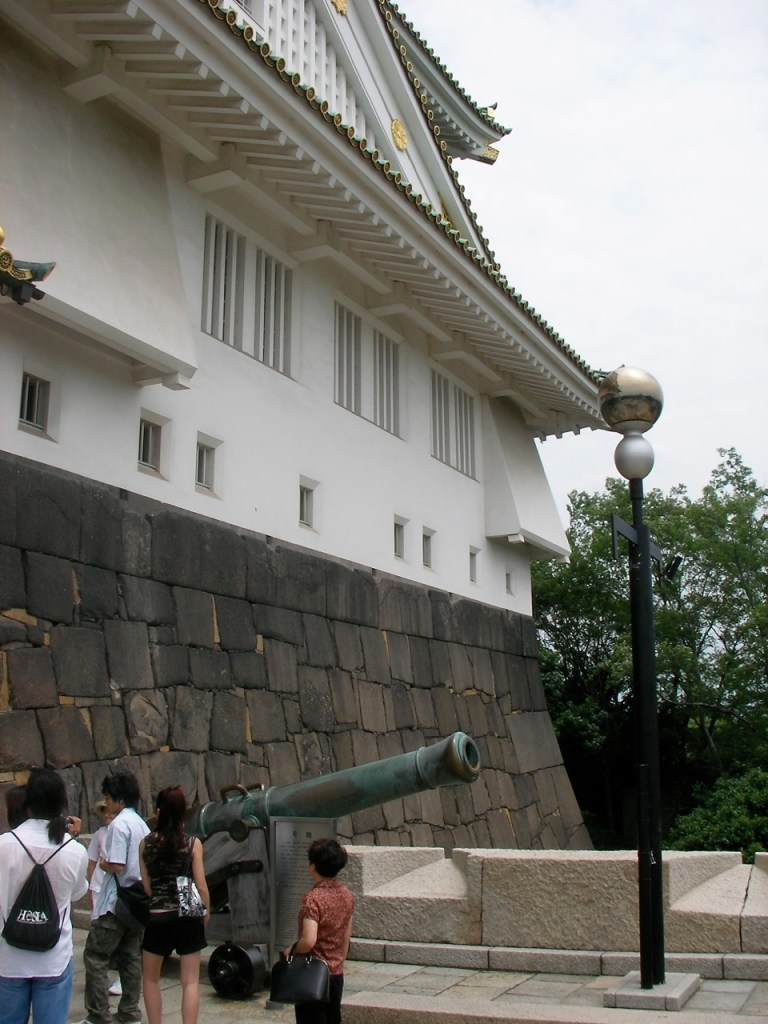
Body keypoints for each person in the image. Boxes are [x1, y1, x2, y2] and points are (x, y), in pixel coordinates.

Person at [0, 768, 89, 1024]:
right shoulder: (74, 850)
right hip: (53, 957)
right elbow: (76, 894)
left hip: (9, 956)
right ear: (62, 803)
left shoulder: (4, 845)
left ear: (28, 802)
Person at [79, 771, 149, 1024]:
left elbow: (116, 865)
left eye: (108, 797)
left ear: (119, 800)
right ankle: (129, 1011)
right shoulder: (142, 824)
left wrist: (105, 865)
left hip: (115, 902)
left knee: (96, 956)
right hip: (136, 901)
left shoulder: (119, 825)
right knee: (130, 957)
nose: (106, 803)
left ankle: (98, 1014)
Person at [138, 786, 209, 1024]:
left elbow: (147, 886)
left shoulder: (145, 844)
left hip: (158, 914)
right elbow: (201, 885)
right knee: (190, 981)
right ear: (183, 814)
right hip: (188, 914)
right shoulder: (192, 844)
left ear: (158, 811)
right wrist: (205, 911)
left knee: (150, 979)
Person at [283, 838, 355, 1024]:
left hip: (312, 973)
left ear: (313, 866)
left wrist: (291, 950)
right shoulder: (346, 895)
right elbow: (346, 935)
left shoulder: (313, 899)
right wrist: (339, 960)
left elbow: (308, 940)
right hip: (336, 972)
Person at [85, 800, 122, 998]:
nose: (107, 815)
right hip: (99, 886)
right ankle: (100, 977)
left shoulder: (120, 832)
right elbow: (92, 862)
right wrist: (90, 887)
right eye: (104, 812)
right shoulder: (98, 835)